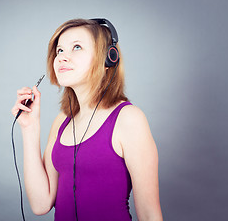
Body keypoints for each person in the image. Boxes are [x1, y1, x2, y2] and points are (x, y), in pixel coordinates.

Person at [12, 18, 163, 221]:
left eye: (76, 47)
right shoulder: (62, 121)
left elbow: (149, 214)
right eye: (60, 51)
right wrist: (29, 128)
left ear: (109, 58)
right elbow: (40, 204)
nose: (63, 57)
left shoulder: (129, 119)